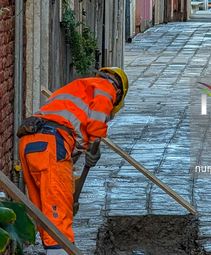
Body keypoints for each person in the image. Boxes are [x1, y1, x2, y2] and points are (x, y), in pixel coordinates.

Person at [17, 67, 128, 255]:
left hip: (29, 140)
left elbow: (67, 148)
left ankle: (53, 249)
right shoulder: (106, 86)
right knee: (58, 216)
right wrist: (95, 142)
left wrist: (70, 194)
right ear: (118, 92)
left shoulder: (76, 88)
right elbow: (99, 113)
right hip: (52, 141)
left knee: (45, 213)